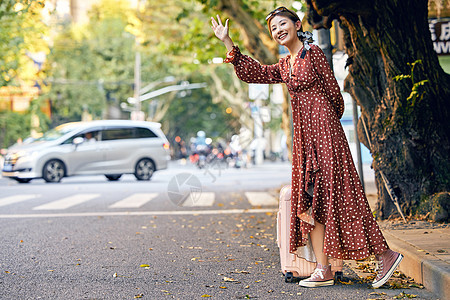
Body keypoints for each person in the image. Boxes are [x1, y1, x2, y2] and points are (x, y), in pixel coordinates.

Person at [211, 7, 403, 288]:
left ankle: (385, 255)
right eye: (273, 28)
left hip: (325, 135)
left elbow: (335, 96)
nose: (278, 31)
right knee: (312, 201)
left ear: (297, 24)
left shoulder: (313, 54)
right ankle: (322, 269)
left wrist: (325, 124)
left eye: (282, 24)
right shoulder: (285, 64)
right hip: (304, 139)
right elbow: (256, 73)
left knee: (342, 196)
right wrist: (228, 42)